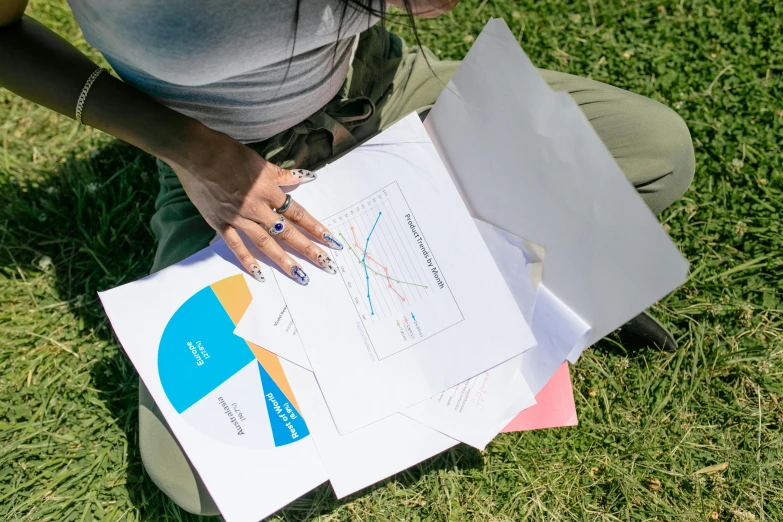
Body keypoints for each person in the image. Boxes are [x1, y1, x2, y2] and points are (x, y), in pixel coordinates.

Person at [0, 0, 695, 515]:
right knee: (195, 474)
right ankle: (467, 314)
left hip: (383, 91)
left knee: (653, 154)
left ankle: (492, 315)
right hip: (229, 162)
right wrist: (190, 151)